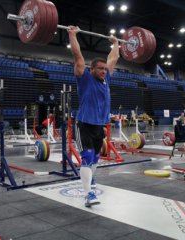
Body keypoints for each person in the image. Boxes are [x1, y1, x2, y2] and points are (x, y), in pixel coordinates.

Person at [68, 26, 119, 207]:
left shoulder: (106, 80)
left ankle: (90, 180)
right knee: (87, 158)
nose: (104, 71)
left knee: (96, 159)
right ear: (92, 69)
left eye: (105, 69)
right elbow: (77, 56)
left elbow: (113, 58)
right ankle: (88, 194)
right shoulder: (85, 78)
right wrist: (72, 35)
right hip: (84, 125)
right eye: (100, 69)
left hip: (99, 126)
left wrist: (115, 44)